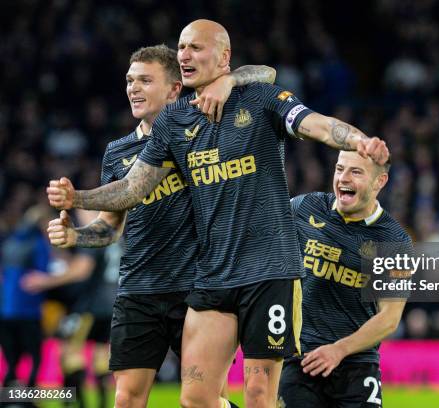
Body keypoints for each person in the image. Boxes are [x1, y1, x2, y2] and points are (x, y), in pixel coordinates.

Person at [46, 19, 389, 408]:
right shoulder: (174, 122)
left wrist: (360, 140)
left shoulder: (261, 99)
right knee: (196, 398)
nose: (185, 55)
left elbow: (319, 126)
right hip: (213, 274)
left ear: (224, 57)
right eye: (182, 48)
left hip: (270, 270)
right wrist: (79, 198)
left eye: (196, 47)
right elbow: (132, 188)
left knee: (260, 395)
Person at [45, 44, 275, 408]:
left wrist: (227, 80)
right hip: (138, 289)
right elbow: (109, 229)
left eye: (145, 81)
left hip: (198, 291)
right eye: (130, 80)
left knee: (206, 398)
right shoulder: (117, 151)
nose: (133, 88)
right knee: (125, 400)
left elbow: (266, 73)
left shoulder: (203, 128)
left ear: (173, 89)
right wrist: (75, 235)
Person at [278, 151, 410, 407]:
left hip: (357, 366)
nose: (342, 178)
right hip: (301, 359)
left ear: (379, 182)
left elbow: (389, 318)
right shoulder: (304, 208)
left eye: (356, 172)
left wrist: (339, 349)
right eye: (340, 169)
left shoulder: (394, 240)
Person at [23, 208, 119, 408]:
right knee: (101, 356)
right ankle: (102, 405)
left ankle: (79, 404)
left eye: (82, 212)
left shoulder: (92, 235)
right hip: (113, 303)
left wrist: (45, 281)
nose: (78, 217)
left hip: (89, 306)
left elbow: (82, 270)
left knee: (68, 353)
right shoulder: (115, 235)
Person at [1, 204, 54, 389]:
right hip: (28, 311)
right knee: (35, 359)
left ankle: (8, 399)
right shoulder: (38, 244)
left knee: (12, 362)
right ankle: (28, 399)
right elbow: (42, 275)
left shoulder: (9, 242)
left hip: (5, 311)